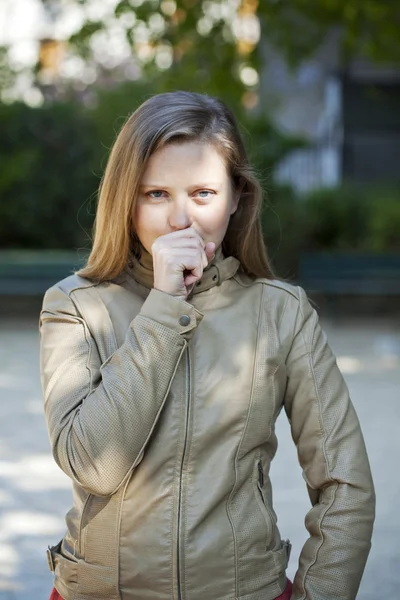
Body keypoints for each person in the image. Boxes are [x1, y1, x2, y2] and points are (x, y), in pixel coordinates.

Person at [40, 91, 375, 600]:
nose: (181, 219)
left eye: (202, 193)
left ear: (237, 197)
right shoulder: (75, 306)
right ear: (125, 199)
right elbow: (95, 466)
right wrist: (164, 304)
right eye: (156, 194)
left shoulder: (281, 311)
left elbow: (345, 484)